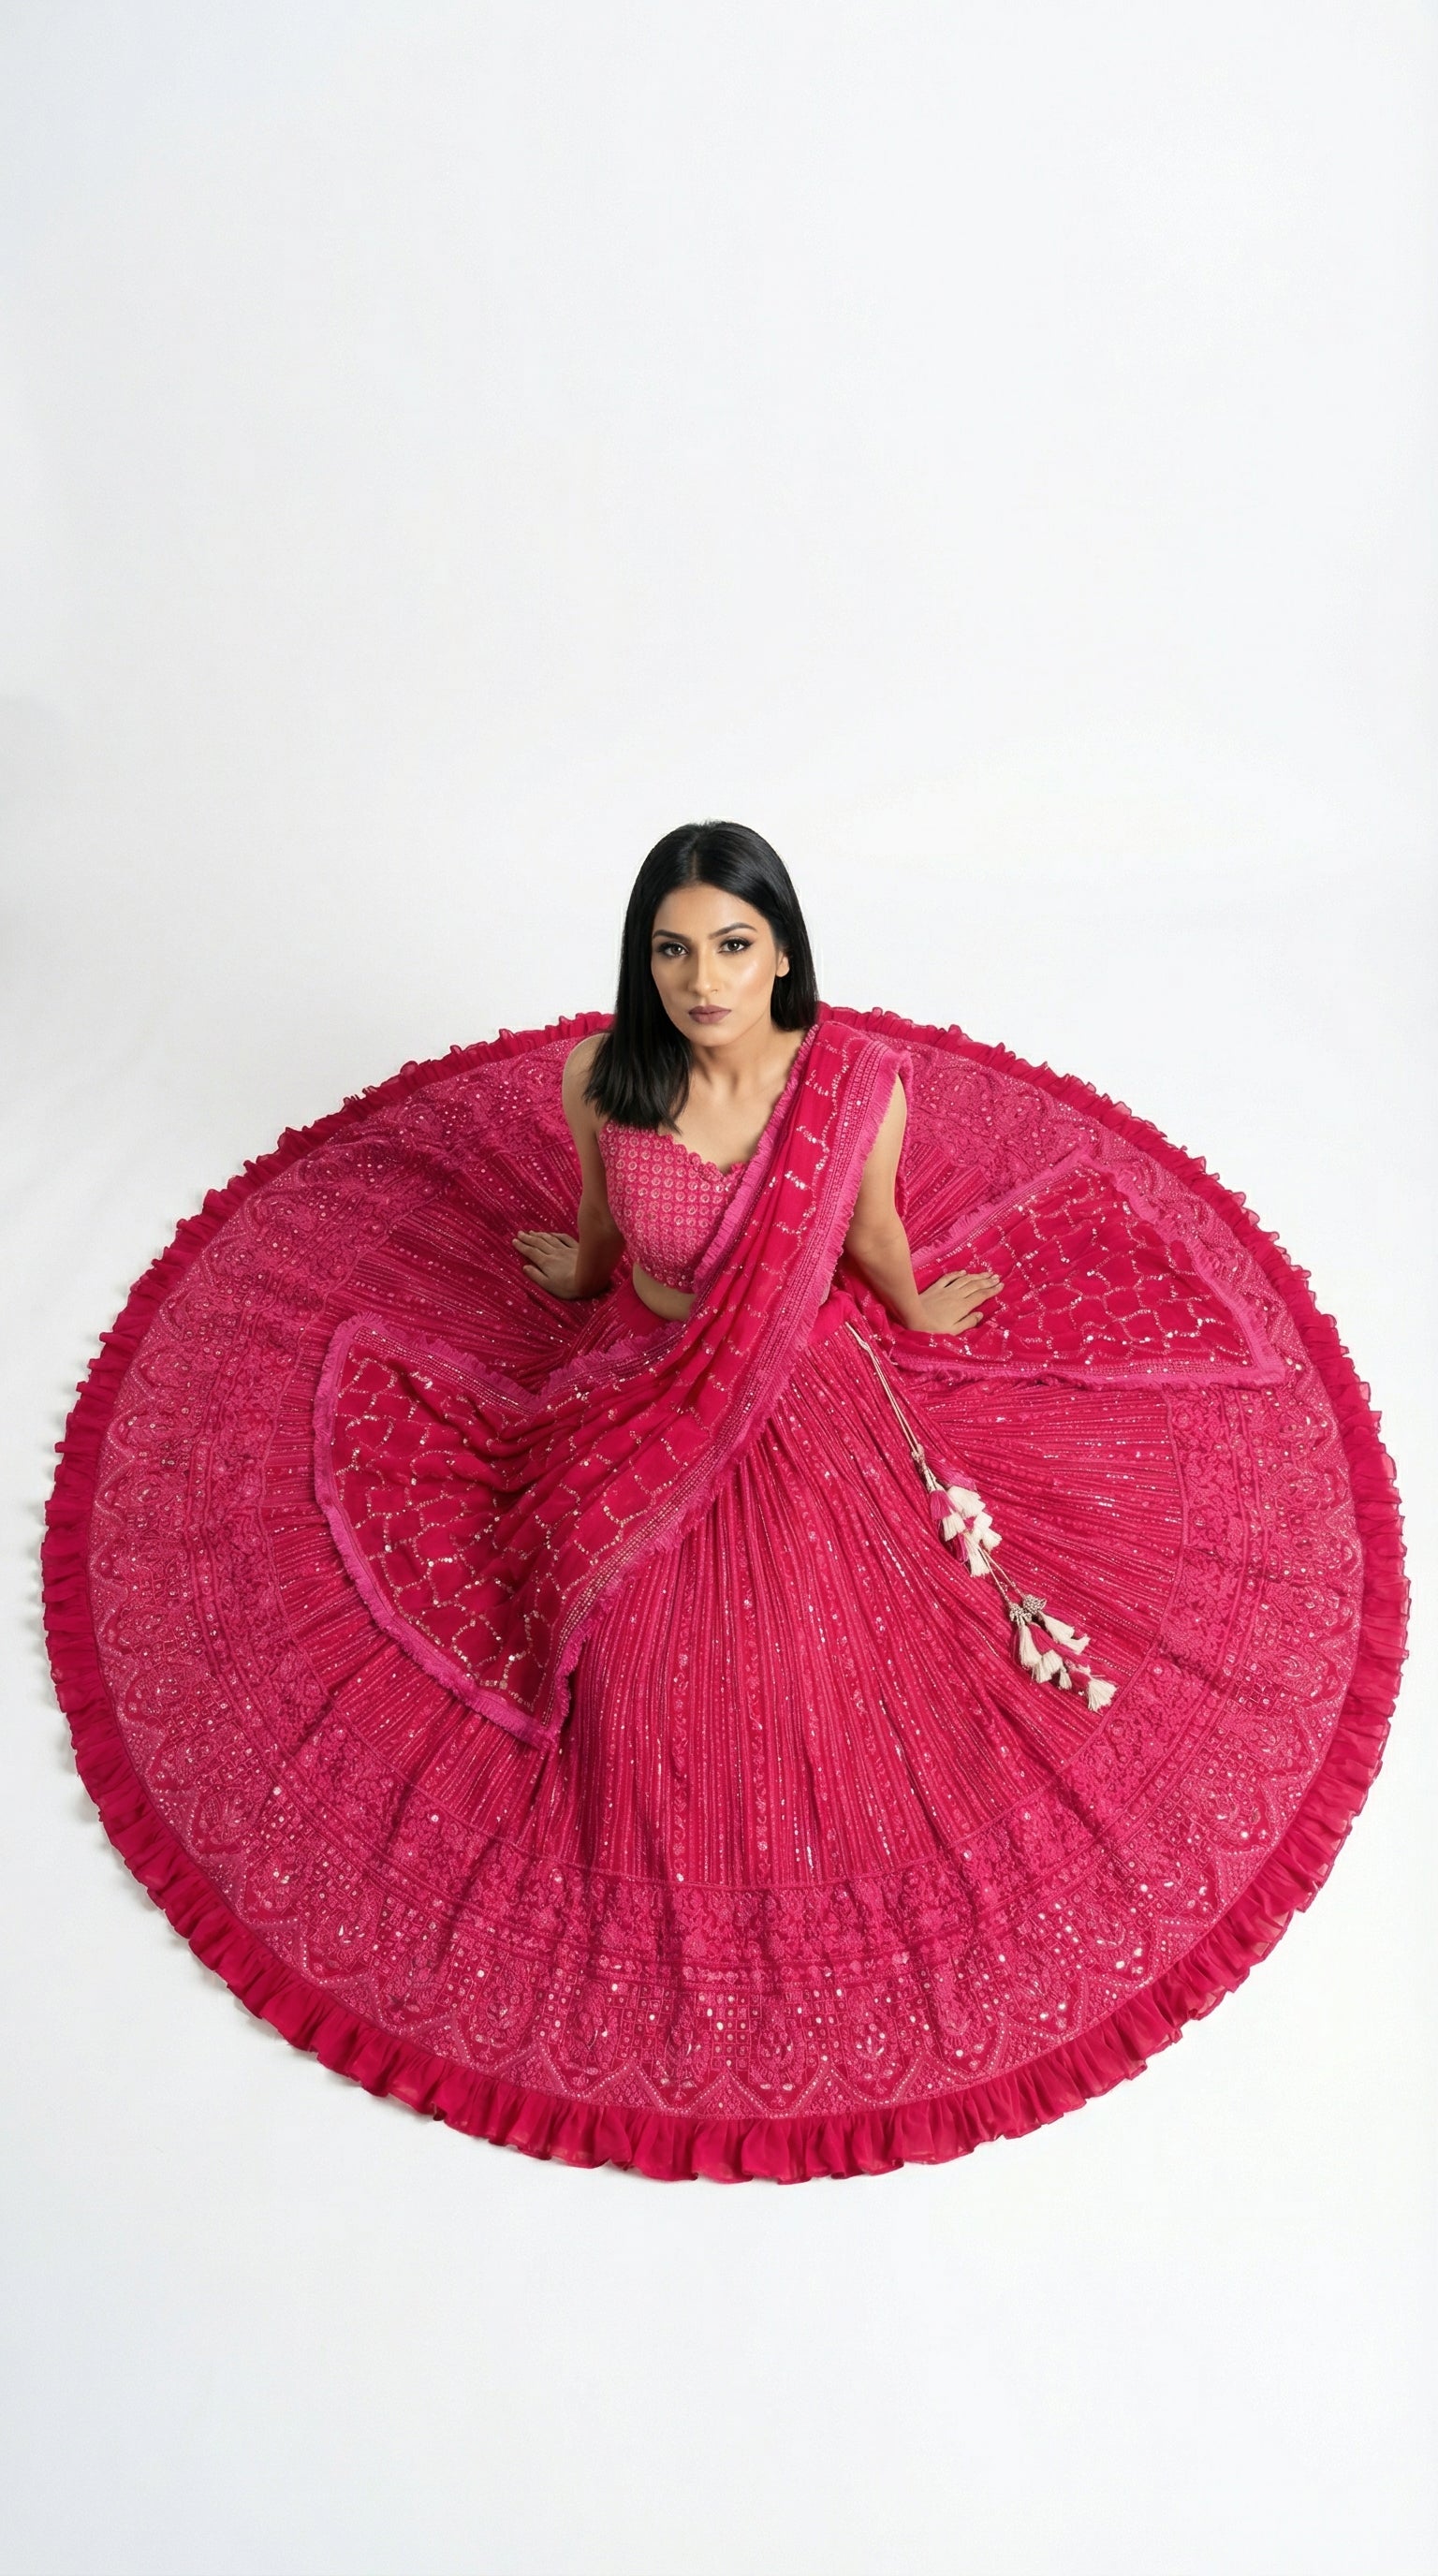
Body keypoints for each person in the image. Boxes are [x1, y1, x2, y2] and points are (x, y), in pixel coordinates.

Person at [44, 822, 1408, 2180]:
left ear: (783, 954)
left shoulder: (855, 1093)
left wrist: (922, 1301)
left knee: (836, 1656)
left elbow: (871, 1243)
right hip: (626, 1384)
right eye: (675, 949)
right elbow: (593, 1240)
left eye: (735, 947)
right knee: (602, 1645)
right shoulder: (606, 1080)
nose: (705, 979)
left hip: (802, 1393)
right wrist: (571, 1283)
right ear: (645, 961)